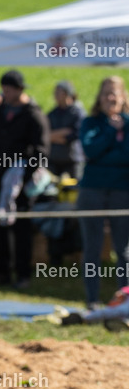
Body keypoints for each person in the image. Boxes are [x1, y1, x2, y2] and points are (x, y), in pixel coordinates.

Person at [0, 70, 48, 289]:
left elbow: (41, 150)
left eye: (9, 89)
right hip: (0, 173)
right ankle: (1, 270)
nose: (5, 93)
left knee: (21, 227)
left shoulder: (33, 114)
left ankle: (22, 273)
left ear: (20, 89)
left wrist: (25, 176)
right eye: (3, 89)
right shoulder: (0, 109)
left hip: (20, 177)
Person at [77, 76, 129, 310]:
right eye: (106, 93)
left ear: (123, 96)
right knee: (92, 247)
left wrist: (105, 155)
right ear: (99, 97)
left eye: (115, 92)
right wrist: (110, 131)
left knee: (124, 250)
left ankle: (124, 299)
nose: (111, 97)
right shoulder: (91, 122)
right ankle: (92, 300)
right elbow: (90, 149)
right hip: (92, 191)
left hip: (122, 191)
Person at [46, 80, 86, 180]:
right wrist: (63, 132)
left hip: (72, 160)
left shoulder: (77, 113)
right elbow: (45, 134)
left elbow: (76, 134)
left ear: (67, 93)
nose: (55, 95)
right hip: (53, 159)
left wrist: (53, 136)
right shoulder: (52, 114)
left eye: (59, 92)